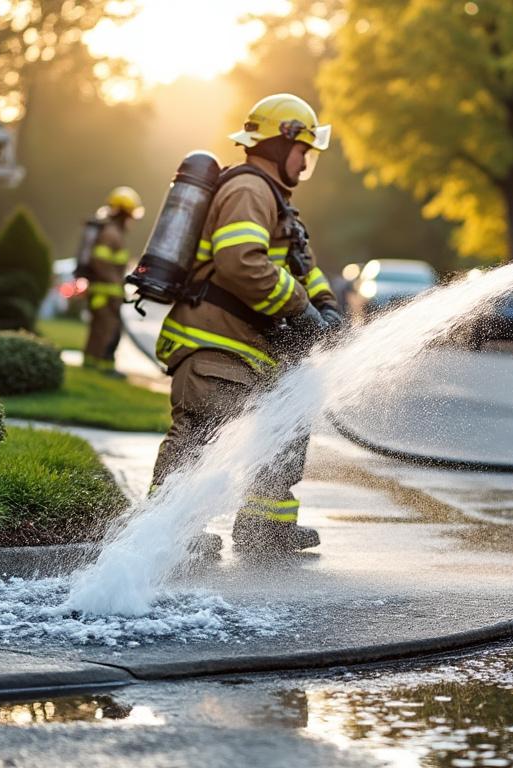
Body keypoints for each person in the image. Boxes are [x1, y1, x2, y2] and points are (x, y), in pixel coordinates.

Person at [151, 93, 341, 552]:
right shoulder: (248, 190)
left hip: (246, 351)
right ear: (282, 143)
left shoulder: (276, 201)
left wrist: (327, 307)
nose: (306, 160)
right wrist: (301, 309)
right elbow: (240, 261)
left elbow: (300, 263)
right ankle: (166, 536)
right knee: (199, 442)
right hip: (216, 347)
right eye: (304, 149)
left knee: (284, 428)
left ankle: (266, 527)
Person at [82, 187, 144, 376]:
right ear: (123, 214)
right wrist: (116, 284)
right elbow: (99, 261)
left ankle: (94, 367)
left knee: (103, 329)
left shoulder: (113, 232)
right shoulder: (111, 234)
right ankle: (101, 369)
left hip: (106, 292)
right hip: (105, 293)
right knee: (106, 330)